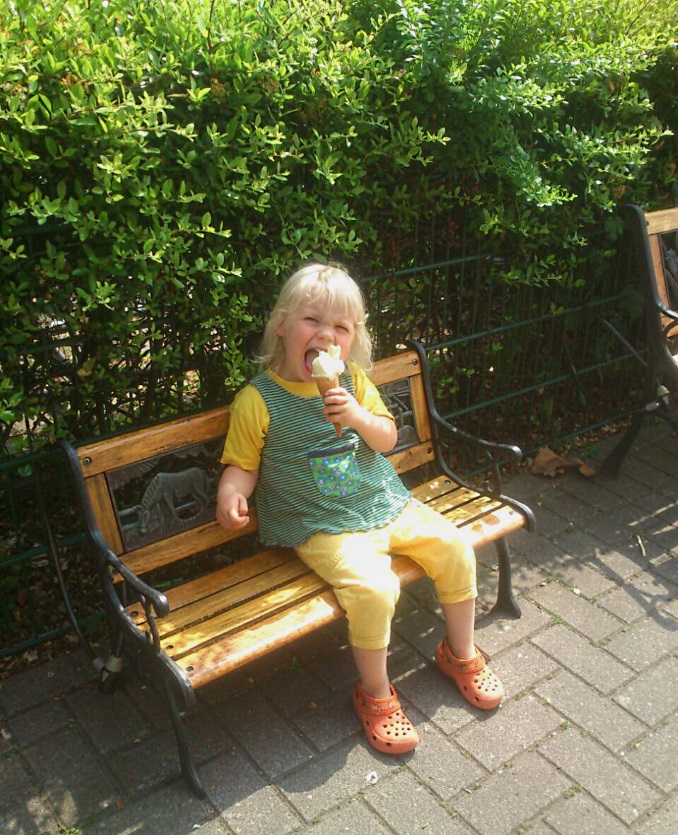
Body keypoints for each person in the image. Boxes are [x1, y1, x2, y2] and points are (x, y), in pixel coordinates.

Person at [216, 263, 504, 755]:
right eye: (312, 321)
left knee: (455, 546)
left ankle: (460, 654)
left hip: (382, 500)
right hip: (320, 524)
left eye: (341, 328)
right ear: (282, 325)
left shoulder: (353, 382)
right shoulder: (257, 400)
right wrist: (231, 494)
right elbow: (242, 466)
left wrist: (356, 416)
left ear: (352, 341)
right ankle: (375, 694)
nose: (326, 335)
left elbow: (387, 437)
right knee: (376, 588)